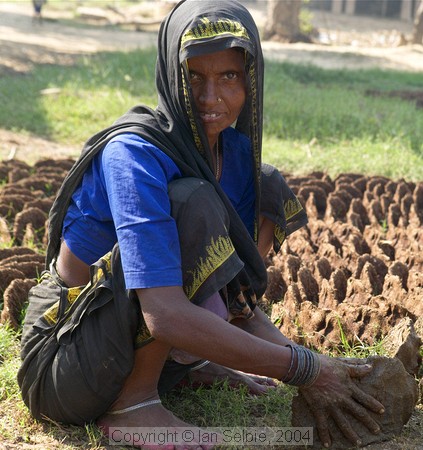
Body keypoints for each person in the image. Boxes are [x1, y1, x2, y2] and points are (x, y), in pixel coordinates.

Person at [18, 1, 385, 448]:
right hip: (67, 361)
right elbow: (165, 315)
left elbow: (239, 302)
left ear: (250, 80)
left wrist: (314, 367)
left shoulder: (231, 156)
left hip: (140, 344)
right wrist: (303, 368)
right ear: (171, 76)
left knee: (265, 182)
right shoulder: (134, 153)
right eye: (194, 76)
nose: (211, 98)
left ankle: (190, 364)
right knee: (191, 203)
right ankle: (133, 405)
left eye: (228, 76)